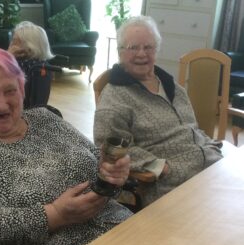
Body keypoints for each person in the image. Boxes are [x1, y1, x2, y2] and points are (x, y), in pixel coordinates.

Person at [0, 47, 132, 245]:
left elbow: (97, 162)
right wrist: (54, 214)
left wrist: (112, 173)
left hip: (121, 230)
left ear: (22, 91)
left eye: (10, 90)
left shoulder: (45, 119)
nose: (2, 104)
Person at [93, 15, 223, 207]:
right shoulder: (115, 97)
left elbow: (190, 127)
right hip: (173, 183)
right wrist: (159, 167)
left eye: (148, 47)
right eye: (133, 47)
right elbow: (109, 149)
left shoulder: (170, 84)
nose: (141, 54)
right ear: (120, 52)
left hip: (210, 164)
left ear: (156, 50)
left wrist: (210, 146)